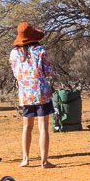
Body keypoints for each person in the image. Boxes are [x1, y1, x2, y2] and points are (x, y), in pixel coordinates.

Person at [10, 22, 55, 167]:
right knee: (43, 127)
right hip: (41, 92)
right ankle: (44, 160)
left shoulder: (14, 53)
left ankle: (25, 159)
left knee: (26, 127)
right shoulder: (40, 50)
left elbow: (15, 73)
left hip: (25, 94)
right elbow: (48, 72)